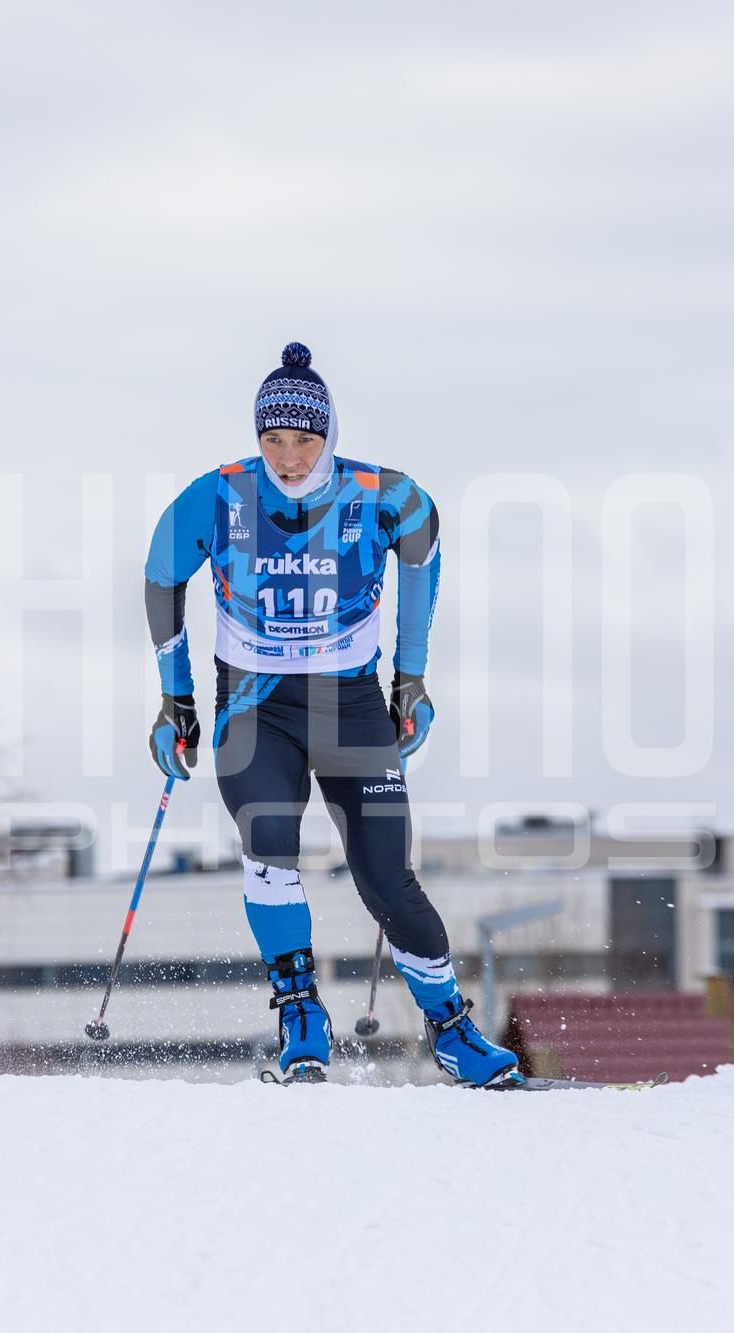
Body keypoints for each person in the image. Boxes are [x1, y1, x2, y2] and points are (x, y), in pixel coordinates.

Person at [142, 341, 519, 1086]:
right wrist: (176, 698)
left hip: (349, 704)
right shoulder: (217, 498)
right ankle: (300, 1011)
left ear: (330, 434)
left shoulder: (379, 496)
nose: (287, 456)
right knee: (268, 839)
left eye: (304, 439)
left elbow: (423, 548)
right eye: (272, 439)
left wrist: (411, 681)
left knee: (385, 875)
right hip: (257, 704)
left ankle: (449, 1027)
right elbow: (161, 576)